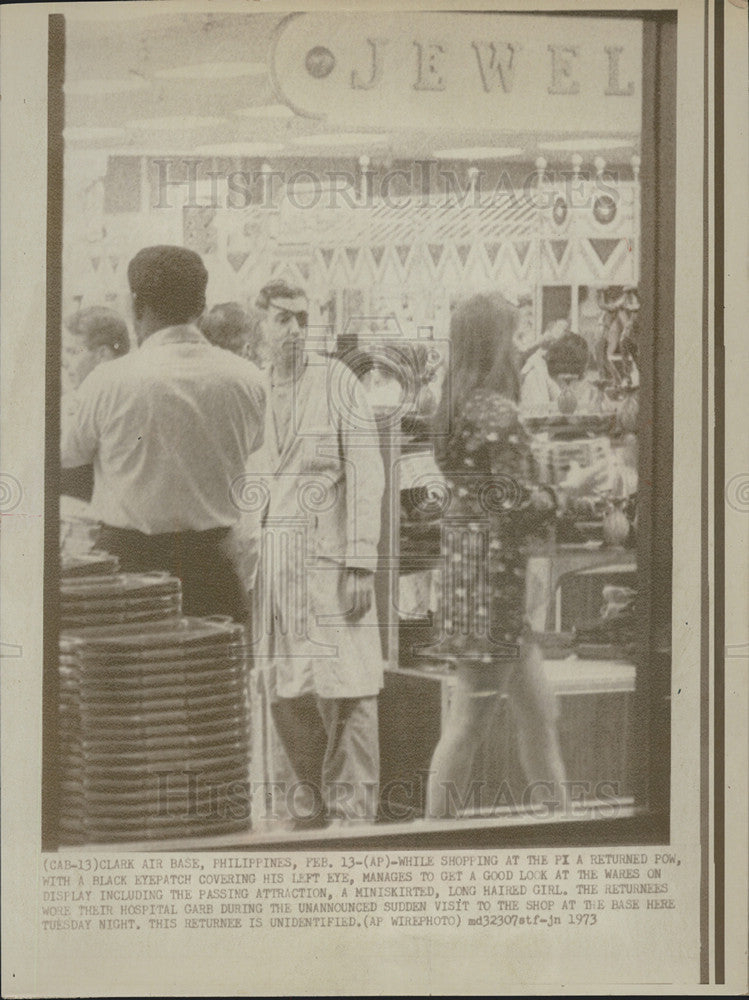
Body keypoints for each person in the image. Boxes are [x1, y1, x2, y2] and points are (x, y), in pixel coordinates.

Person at [61, 245, 266, 622]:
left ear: (136, 305)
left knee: (135, 680)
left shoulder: (107, 381)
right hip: (214, 567)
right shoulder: (249, 379)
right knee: (213, 678)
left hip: (128, 572)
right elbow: (254, 444)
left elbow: (67, 454)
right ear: (201, 305)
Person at [425, 292, 566, 819]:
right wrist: (563, 495)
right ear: (495, 342)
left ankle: (563, 828)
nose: (517, 346)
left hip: (469, 569)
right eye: (512, 335)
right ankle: (430, 842)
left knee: (538, 715)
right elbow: (513, 500)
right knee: (468, 725)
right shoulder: (499, 411)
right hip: (496, 581)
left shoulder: (454, 405)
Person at [252, 278, 385, 828]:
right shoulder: (253, 389)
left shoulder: (337, 383)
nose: (295, 330)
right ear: (260, 321)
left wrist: (360, 562)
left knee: (347, 694)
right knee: (286, 694)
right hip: (273, 570)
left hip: (331, 564)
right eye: (283, 318)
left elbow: (366, 472)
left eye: (304, 319)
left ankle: (353, 823)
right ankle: (301, 822)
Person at [61, 307, 130, 506]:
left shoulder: (104, 398)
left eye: (73, 352)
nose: (65, 362)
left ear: (102, 355)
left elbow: (62, 456)